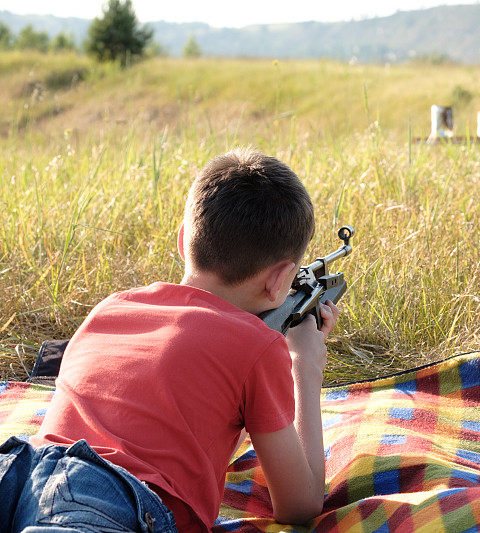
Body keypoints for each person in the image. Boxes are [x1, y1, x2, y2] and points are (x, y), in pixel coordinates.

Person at [0, 148, 338, 532]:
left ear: (182, 240)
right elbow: (300, 503)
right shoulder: (259, 346)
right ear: (281, 280)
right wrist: (305, 366)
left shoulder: (112, 307)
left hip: (21, 466)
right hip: (107, 497)